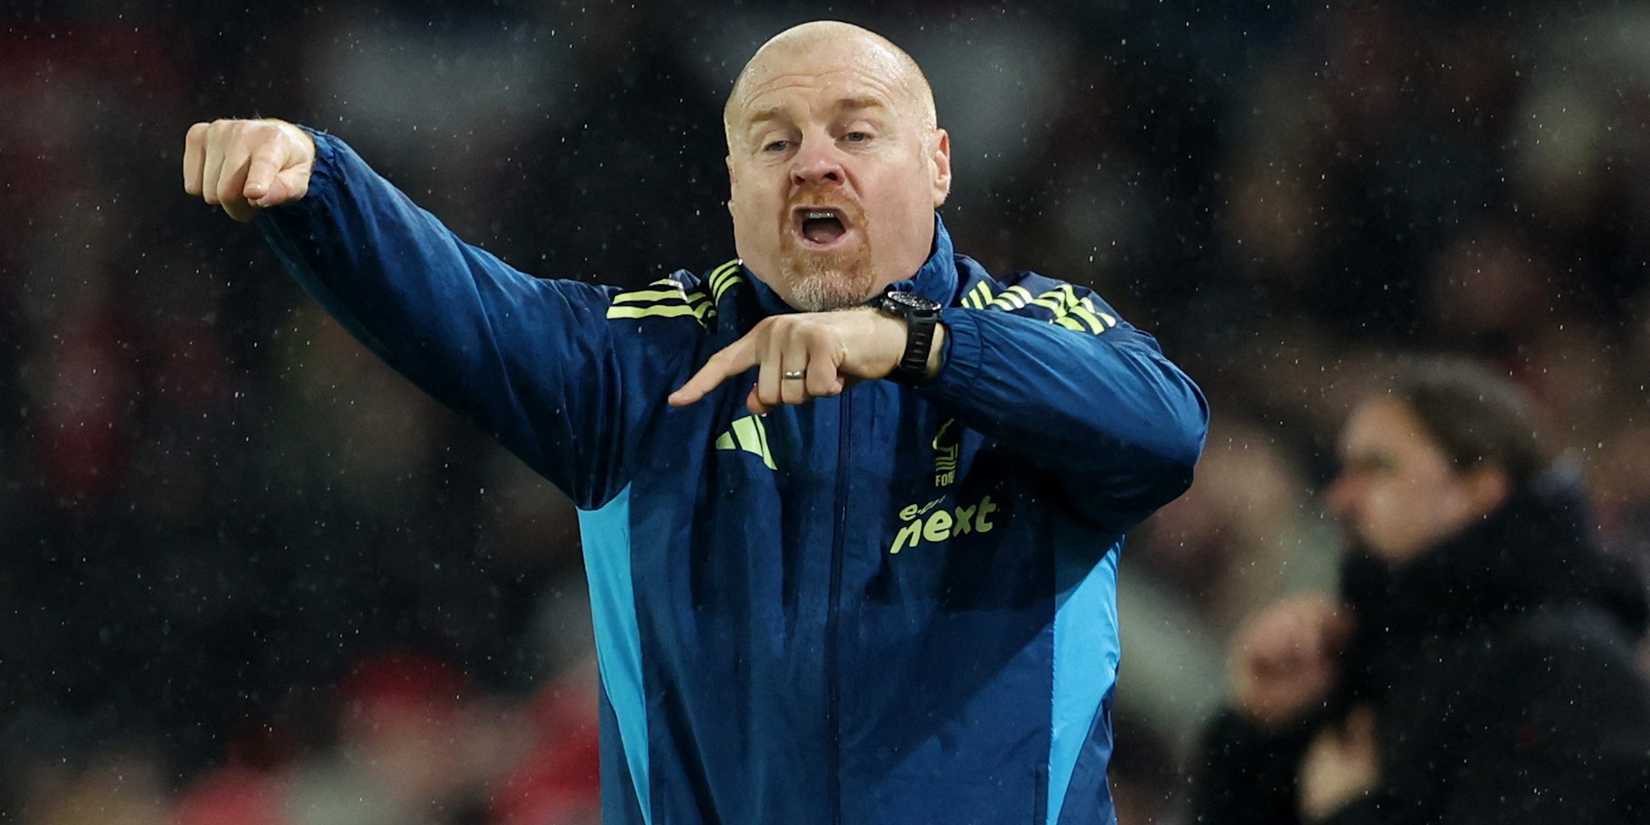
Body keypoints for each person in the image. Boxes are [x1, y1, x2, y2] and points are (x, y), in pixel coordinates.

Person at [181, 20, 1208, 824]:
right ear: (733, 186)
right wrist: (318, 182)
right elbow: (464, 308)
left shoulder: (1035, 335)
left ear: (937, 163)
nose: (815, 161)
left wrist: (915, 345)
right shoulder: (644, 369)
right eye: (775, 140)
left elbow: (1167, 435)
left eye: (856, 132)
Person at [1187, 359, 1650, 825]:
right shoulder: (1364, 652)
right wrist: (1259, 734)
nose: (1339, 497)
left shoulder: (1570, 668)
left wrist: (1357, 814)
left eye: (1376, 467)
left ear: (1479, 489)